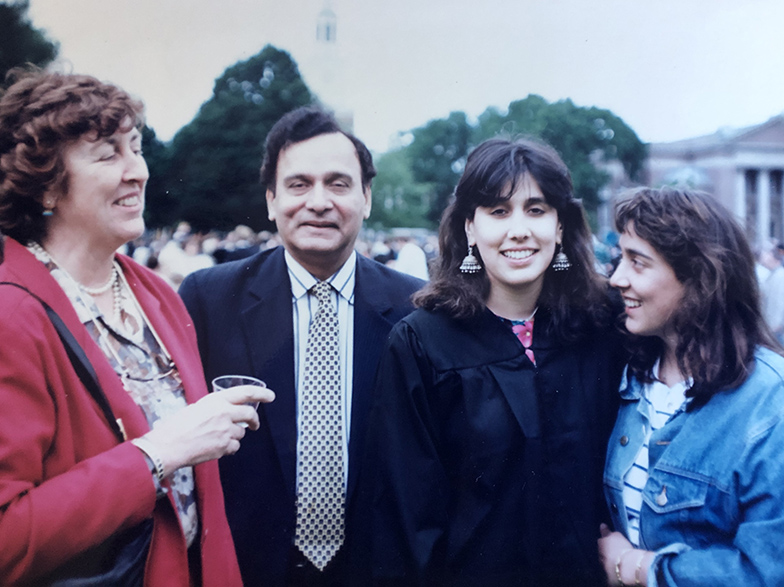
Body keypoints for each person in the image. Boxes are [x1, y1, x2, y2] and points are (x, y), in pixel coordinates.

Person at [0, 70, 274, 586]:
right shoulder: (11, 316)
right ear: (44, 185)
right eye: (107, 154)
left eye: (136, 147)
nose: (139, 172)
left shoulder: (158, 296)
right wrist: (156, 454)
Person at [360, 137, 625, 586]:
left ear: (561, 226)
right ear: (469, 227)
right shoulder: (422, 343)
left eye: (537, 210)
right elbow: (403, 517)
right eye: (498, 211)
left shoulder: (601, 330)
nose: (518, 229)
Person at [179, 106, 424, 587]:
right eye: (298, 185)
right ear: (271, 200)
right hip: (246, 571)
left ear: (366, 198)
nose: (318, 202)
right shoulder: (208, 299)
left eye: (338, 183)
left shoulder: (417, 308)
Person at [599, 187, 784, 587]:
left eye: (638, 262)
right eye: (620, 258)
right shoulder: (630, 373)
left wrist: (635, 568)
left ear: (698, 277)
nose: (617, 278)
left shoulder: (770, 402)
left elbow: (766, 572)